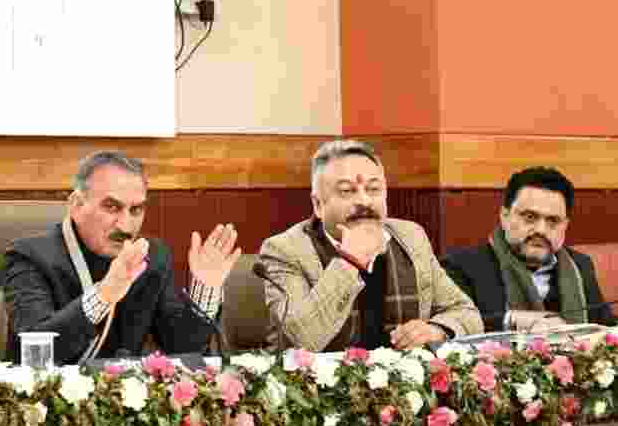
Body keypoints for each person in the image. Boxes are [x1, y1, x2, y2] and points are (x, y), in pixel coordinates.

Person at [0, 152, 241, 365]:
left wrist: (205, 291)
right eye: (111, 207)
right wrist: (104, 295)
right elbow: (34, 353)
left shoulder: (152, 257)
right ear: (76, 205)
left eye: (136, 210)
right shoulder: (28, 257)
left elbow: (180, 347)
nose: (125, 226)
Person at [258, 139, 480, 350]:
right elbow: (302, 340)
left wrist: (436, 330)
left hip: (403, 383)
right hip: (314, 386)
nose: (364, 201)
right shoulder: (285, 251)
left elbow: (466, 313)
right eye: (347, 191)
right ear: (318, 204)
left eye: (374, 189)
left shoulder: (410, 238)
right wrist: (350, 261)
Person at [442, 167, 614, 331]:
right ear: (504, 216)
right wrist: (513, 320)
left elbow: (606, 328)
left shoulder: (580, 265)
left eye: (553, 221)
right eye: (530, 217)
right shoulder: (462, 266)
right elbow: (455, 325)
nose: (541, 229)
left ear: (566, 225)